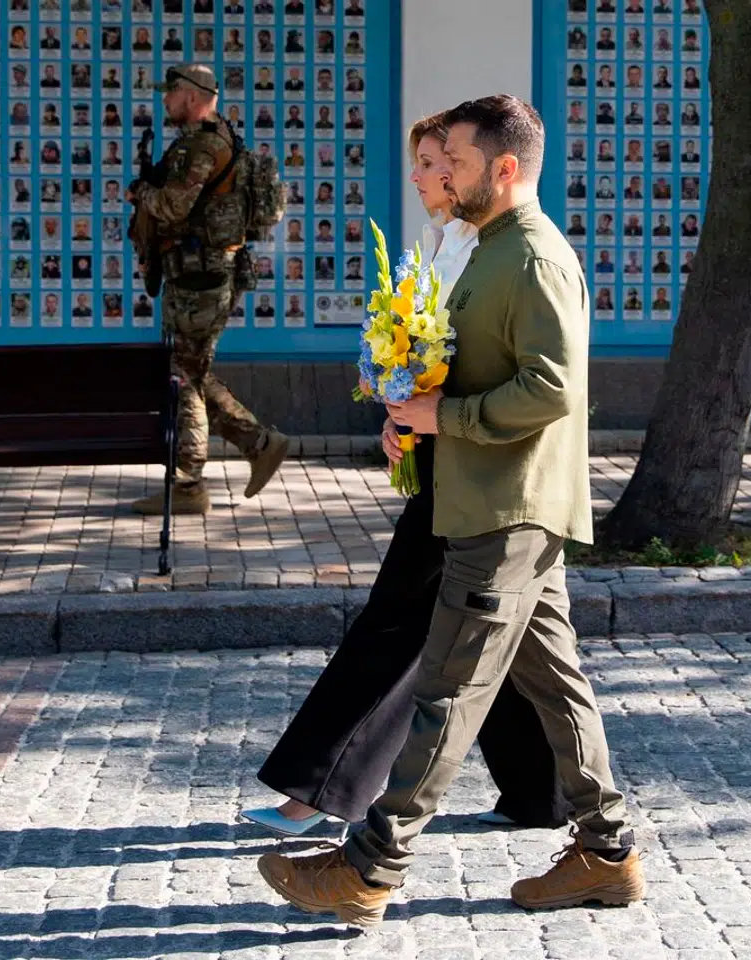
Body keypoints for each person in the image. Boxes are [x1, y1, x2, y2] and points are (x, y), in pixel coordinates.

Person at [255, 95, 640, 925]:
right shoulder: (492, 251)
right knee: (558, 688)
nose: (443, 174)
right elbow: (470, 378)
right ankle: (606, 856)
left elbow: (552, 388)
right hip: (492, 498)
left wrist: (445, 420)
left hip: (507, 509)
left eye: (456, 162)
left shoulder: (533, 257)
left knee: (448, 692)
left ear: (504, 169)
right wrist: (415, 429)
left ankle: (369, 870)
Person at [242, 113, 566, 839]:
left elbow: (544, 381)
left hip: (489, 475)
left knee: (397, 624)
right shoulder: (451, 246)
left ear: (480, 169)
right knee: (523, 643)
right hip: (459, 463)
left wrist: (434, 414)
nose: (423, 174)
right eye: (425, 159)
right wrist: (403, 414)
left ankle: (320, 790)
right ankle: (544, 794)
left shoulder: (513, 253)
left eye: (436, 159)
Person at [127, 64, 288, 516]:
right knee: (189, 371)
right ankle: (254, 447)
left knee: (184, 376)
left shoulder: (204, 146)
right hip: (201, 273)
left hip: (200, 276)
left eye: (172, 91)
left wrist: (141, 194)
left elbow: (175, 207)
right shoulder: (217, 138)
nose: (165, 100)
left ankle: (194, 481)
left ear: (195, 96)